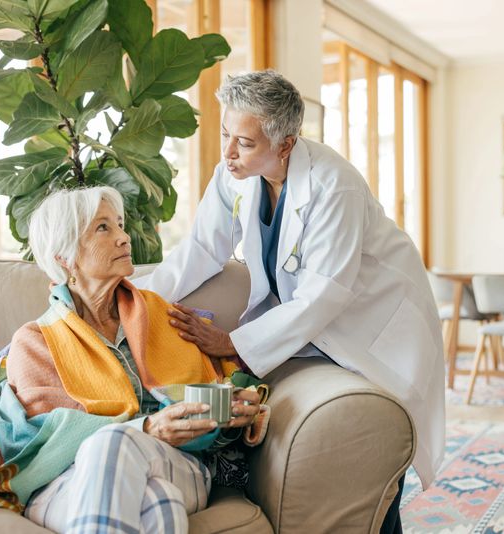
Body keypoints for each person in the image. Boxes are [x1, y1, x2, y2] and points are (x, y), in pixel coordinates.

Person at [135, 69, 445, 532]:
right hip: (313, 327)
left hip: (377, 327)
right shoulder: (233, 175)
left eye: (244, 142)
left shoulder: (333, 185)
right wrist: (139, 301)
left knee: (376, 454)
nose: (227, 153)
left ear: (285, 144)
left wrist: (234, 343)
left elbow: (324, 295)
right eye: (225, 135)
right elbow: (201, 248)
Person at [0, 187, 269, 533]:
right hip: (64, 480)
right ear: (65, 257)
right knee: (159, 505)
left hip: (176, 462)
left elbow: (220, 385)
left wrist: (239, 404)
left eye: (121, 225)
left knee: (114, 443)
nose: (125, 237)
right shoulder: (36, 341)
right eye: (103, 228)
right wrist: (147, 428)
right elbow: (46, 439)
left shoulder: (163, 316)